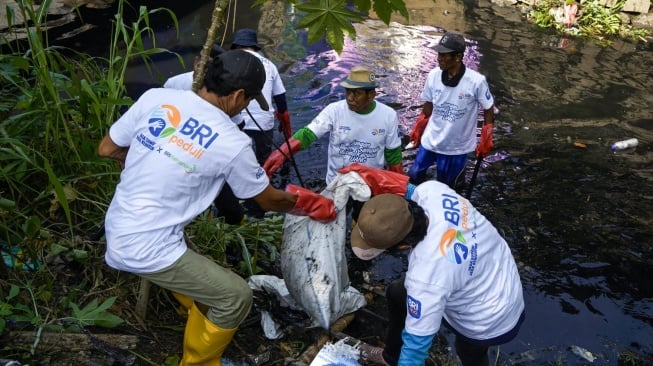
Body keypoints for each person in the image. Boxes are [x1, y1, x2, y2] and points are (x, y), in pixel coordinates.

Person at [97, 50, 336, 365]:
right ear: (238, 95)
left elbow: (107, 148)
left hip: (119, 223)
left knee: (201, 274)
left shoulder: (157, 97)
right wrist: (310, 203)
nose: (248, 106)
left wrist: (147, 160)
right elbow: (266, 200)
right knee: (235, 297)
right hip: (144, 246)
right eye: (250, 100)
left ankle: (197, 316)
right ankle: (197, 362)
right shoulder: (231, 142)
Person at [338, 163, 525, 366]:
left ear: (402, 247)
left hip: (490, 318)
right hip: (497, 270)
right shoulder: (433, 191)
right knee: (397, 293)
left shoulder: (426, 276)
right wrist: (373, 177)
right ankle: (390, 356)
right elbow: (409, 189)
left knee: (469, 352)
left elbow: (415, 349)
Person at [163, 43, 246, 225]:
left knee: (226, 200)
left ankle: (230, 223)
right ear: (196, 63)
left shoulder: (223, 95)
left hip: (209, 156)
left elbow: (237, 126)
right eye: (201, 65)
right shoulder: (174, 84)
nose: (203, 71)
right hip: (176, 152)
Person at [407, 31, 495, 191]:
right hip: (430, 141)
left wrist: (486, 134)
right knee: (414, 178)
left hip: (456, 147)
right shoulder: (433, 75)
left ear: (458, 57)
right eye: (439, 53)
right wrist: (419, 125)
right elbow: (429, 104)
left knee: (449, 188)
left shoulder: (476, 81)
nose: (439, 58)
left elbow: (488, 108)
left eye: (444, 55)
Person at [230, 28, 292, 218]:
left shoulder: (230, 61)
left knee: (236, 161)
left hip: (234, 121)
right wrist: (285, 125)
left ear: (237, 46)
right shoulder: (270, 65)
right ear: (255, 47)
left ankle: (237, 201)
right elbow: (281, 100)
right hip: (263, 123)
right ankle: (262, 200)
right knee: (263, 162)